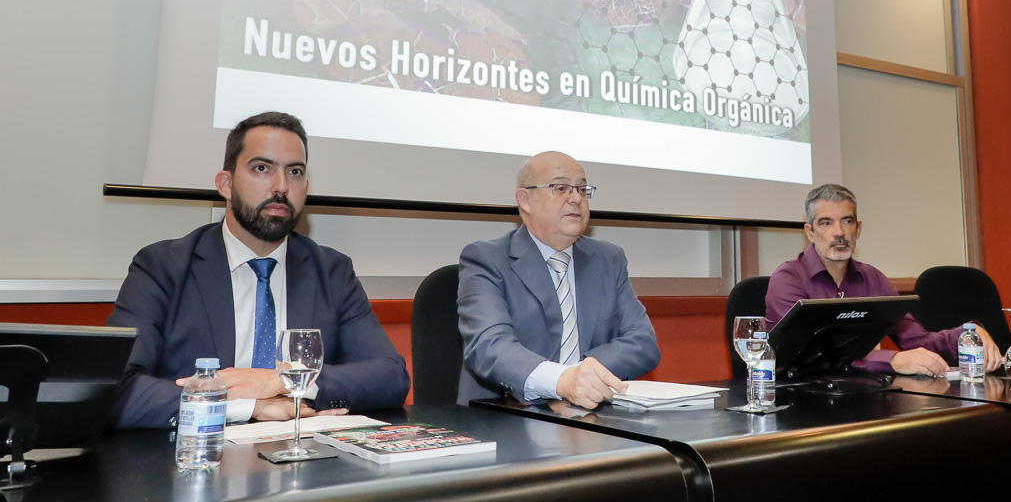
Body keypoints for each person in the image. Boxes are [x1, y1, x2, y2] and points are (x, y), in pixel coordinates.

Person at [108, 112, 409, 428]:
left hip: (303, 462)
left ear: (305, 187)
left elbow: (390, 375)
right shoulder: (163, 266)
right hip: (193, 458)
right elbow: (117, 389)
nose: (281, 186)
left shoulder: (331, 271)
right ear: (226, 183)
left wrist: (281, 381)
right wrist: (247, 406)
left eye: (294, 172)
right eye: (262, 168)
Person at [457, 151, 660, 408]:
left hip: (591, 416)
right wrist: (561, 380)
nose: (576, 198)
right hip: (506, 416)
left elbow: (643, 342)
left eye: (582, 189)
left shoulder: (608, 259)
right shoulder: (486, 258)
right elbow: (490, 346)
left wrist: (581, 376)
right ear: (525, 200)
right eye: (561, 188)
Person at [764, 183, 1003, 377]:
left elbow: (918, 340)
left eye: (847, 221)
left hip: (855, 397)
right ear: (810, 232)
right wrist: (893, 360)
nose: (839, 232)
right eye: (826, 223)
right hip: (796, 400)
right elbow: (809, 357)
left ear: (858, 229)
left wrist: (967, 334)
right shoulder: (788, 279)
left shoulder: (873, 280)